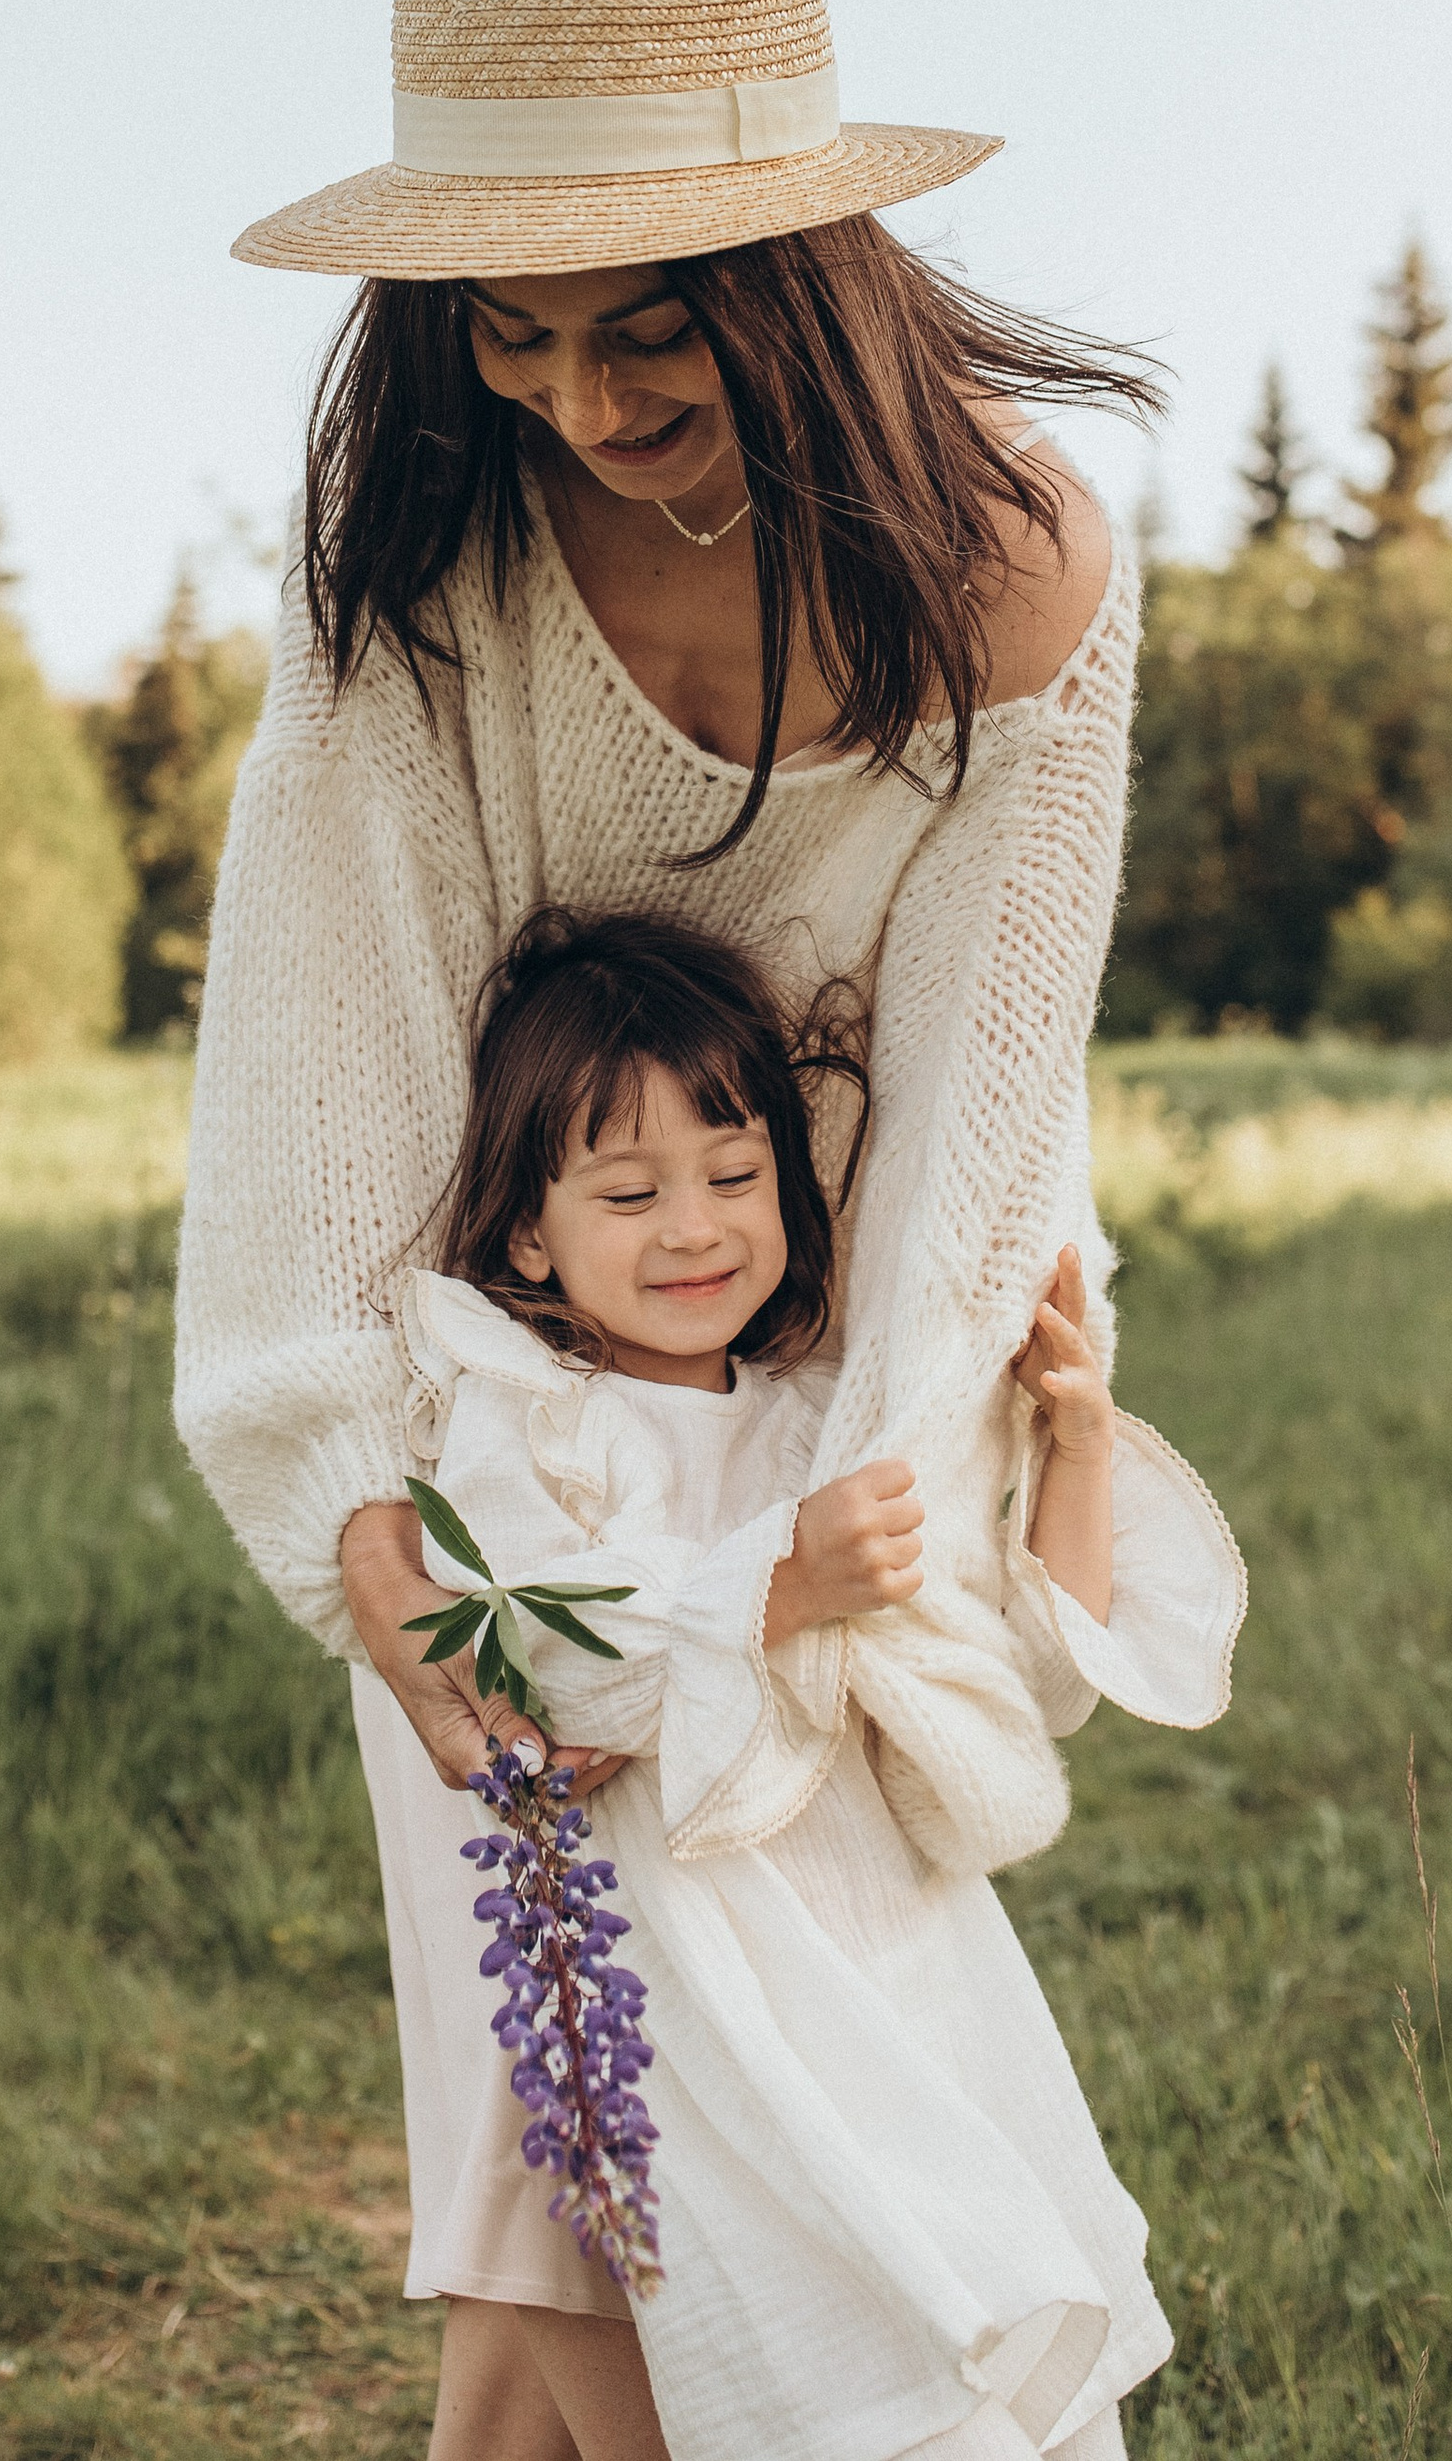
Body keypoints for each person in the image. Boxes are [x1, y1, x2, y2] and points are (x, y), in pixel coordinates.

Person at [178, 0, 1192, 2459]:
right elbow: (326, 1031)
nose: (573, 395)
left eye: (643, 321)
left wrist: (867, 1508)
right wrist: (355, 1501)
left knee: (839, 2115)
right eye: (504, 333)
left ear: (808, 272)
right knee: (552, 2191)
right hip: (520, 1413)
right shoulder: (426, 562)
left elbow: (978, 1094)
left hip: (854, 1369)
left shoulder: (1016, 566)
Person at [402, 904, 1244, 2461]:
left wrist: (1067, 1445)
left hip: (900, 1963)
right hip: (713, 1990)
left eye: (735, 1178)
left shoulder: (826, 1421)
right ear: (531, 1232)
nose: (695, 1229)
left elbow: (1018, 1671)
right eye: (629, 1191)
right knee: (827, 2358)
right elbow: (558, 1654)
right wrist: (784, 1585)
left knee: (975, 2312)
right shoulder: (528, 1424)